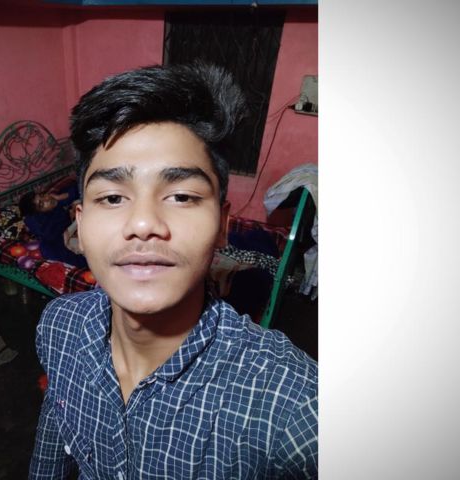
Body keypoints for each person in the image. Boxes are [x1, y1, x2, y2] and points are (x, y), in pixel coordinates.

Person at [29, 63, 318, 479]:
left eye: (181, 196)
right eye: (112, 198)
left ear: (222, 226)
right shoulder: (58, 327)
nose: (143, 223)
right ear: (82, 224)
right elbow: (52, 445)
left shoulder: (292, 409)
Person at [19, 181, 88, 268]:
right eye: (41, 204)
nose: (47, 199)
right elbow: (55, 234)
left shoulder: (58, 195)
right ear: (39, 213)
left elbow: (84, 189)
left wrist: (64, 196)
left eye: (42, 196)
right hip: (67, 244)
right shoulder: (46, 224)